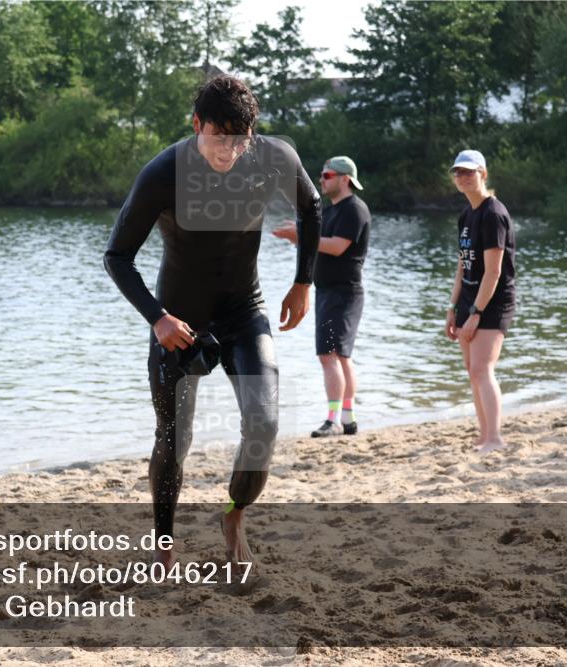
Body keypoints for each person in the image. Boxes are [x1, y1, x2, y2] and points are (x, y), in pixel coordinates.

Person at [103, 75, 321, 572]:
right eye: (219, 137)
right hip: (179, 320)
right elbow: (117, 256)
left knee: (264, 424)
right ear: (197, 124)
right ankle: (164, 543)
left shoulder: (271, 157)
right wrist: (157, 317)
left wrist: (303, 282)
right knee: (174, 438)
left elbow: (311, 206)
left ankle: (234, 513)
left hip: (244, 311)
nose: (229, 151)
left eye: (239, 140)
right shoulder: (164, 173)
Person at [273, 156, 371, 438]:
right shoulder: (330, 211)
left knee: (330, 355)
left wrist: (300, 236)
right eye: (321, 175)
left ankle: (334, 420)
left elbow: (338, 247)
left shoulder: (354, 209)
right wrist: (297, 236)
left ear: (345, 179)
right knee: (338, 355)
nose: (321, 180)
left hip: (344, 291)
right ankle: (348, 418)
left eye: (327, 175)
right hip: (327, 291)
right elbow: (318, 244)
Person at [444, 149, 516, 454]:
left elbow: (494, 271)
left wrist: (476, 313)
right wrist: (453, 308)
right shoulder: (466, 215)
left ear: (483, 174)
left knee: (482, 369)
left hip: (492, 303)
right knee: (471, 369)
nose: (462, 177)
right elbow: (463, 266)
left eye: (469, 172)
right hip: (468, 301)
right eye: (458, 172)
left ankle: (495, 438)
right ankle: (484, 435)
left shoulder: (493, 213)